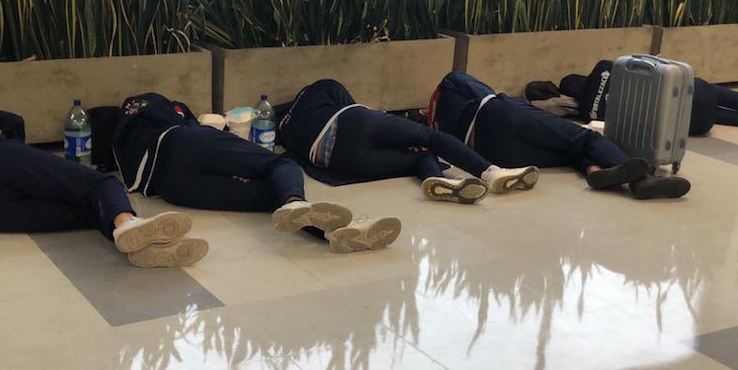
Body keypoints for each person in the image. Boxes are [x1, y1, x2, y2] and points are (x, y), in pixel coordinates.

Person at [0, 107, 207, 268]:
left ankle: (147, 246)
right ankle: (128, 222)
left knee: (87, 213)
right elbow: (16, 121)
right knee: (99, 183)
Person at [113, 93, 401, 253]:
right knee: (280, 164)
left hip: (170, 187)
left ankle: (335, 232)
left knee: (266, 197)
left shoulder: (121, 134)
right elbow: (205, 124)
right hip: (181, 142)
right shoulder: (162, 104)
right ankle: (294, 201)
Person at [430, 72, 692, 200]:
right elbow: (489, 94)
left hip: (497, 154)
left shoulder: (436, 131)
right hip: (503, 115)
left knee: (570, 153)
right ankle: (642, 179)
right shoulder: (450, 81)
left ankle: (593, 171)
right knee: (586, 139)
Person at [274, 78, 538, 204]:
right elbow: (352, 107)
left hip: (340, 162)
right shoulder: (321, 87)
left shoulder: (283, 132)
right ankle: (491, 173)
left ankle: (438, 181)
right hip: (353, 123)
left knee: (416, 157)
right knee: (430, 138)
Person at [528, 60, 738, 135]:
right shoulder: (604, 68)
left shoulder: (588, 113)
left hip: (688, 124)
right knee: (700, 90)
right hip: (682, 94)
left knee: (691, 112)